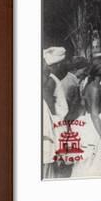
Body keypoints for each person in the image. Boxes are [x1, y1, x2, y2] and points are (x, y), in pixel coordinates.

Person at [68, 57, 101, 178]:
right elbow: (94, 114)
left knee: (88, 165)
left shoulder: (90, 84)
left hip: (91, 127)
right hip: (93, 130)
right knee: (90, 166)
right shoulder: (95, 88)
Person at [42, 46, 68, 179]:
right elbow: (50, 107)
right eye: (60, 65)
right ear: (56, 65)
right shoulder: (50, 80)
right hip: (51, 122)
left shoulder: (49, 78)